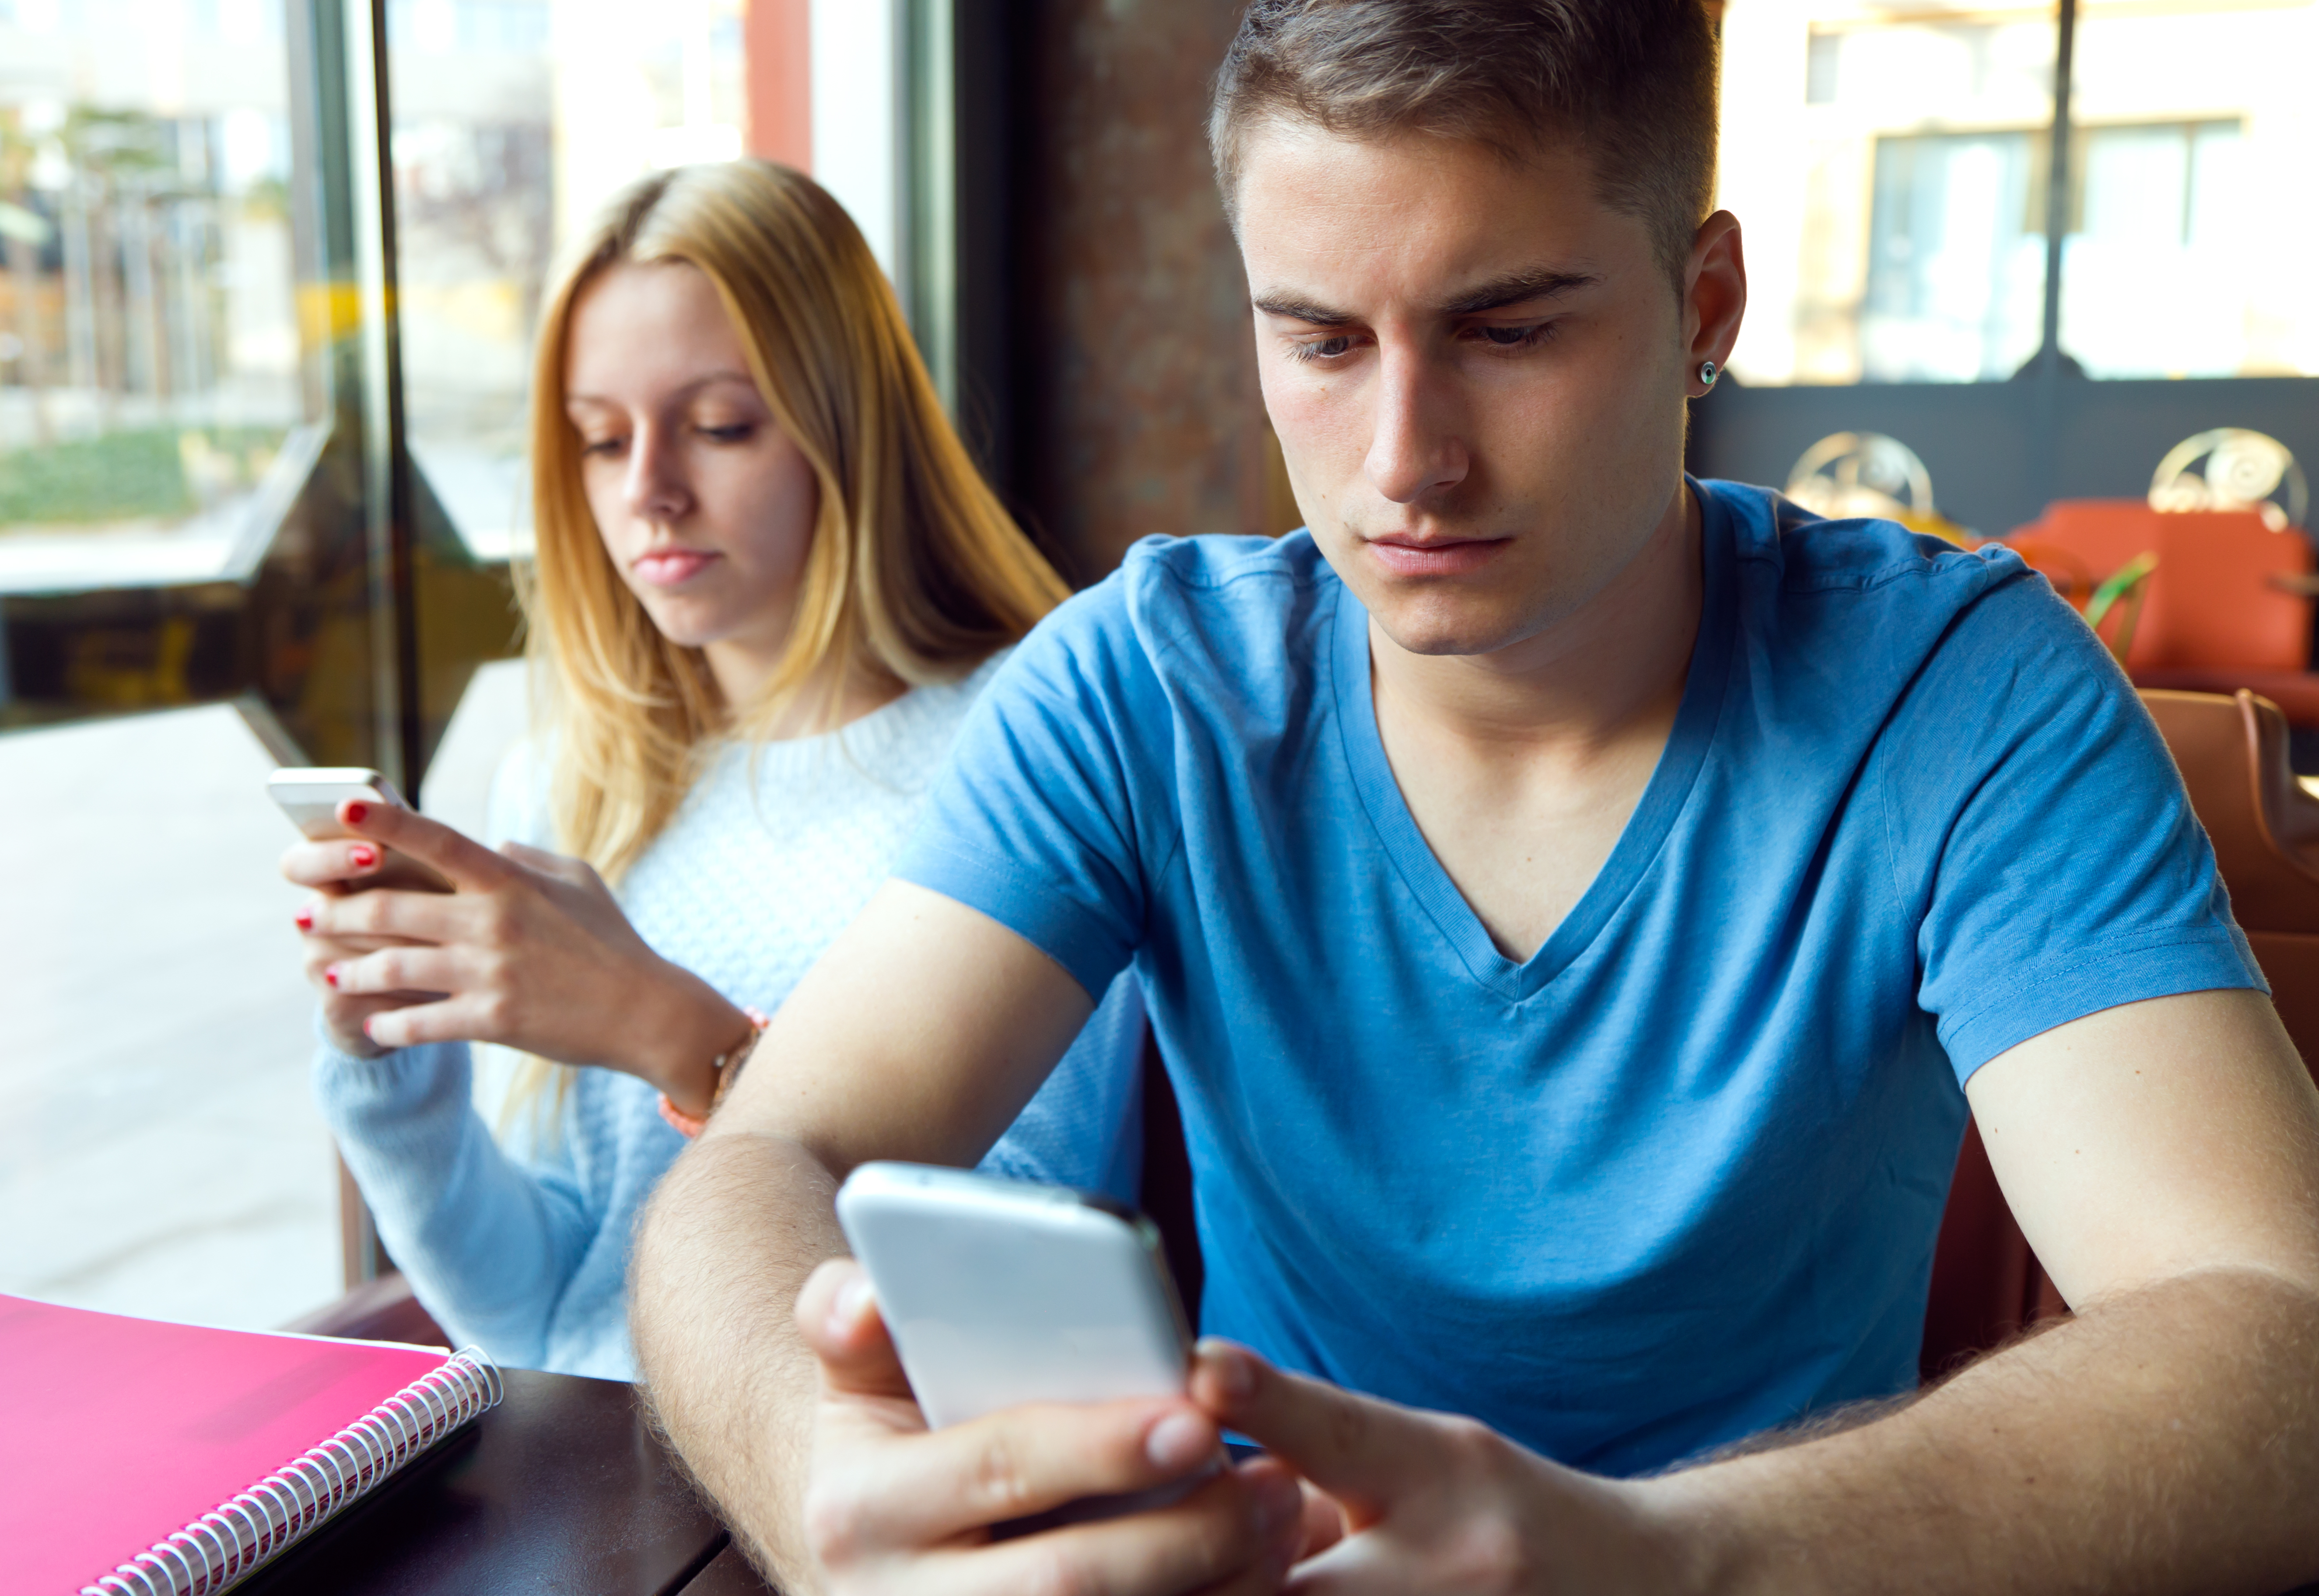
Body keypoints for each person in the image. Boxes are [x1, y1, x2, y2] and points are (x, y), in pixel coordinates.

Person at [630, 2, 2319, 1591]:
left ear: (1704, 305)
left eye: (1507, 330)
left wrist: (1653, 1562)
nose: (1404, 460)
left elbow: (2278, 1338)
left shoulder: (1963, 694)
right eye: (1319, 340)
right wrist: (815, 1493)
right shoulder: (1144, 686)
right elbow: (774, 1150)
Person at [282, 161, 1143, 1382]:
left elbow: (1017, 1283)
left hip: (887, 1461)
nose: (649, 495)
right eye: (599, 440)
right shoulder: (573, 779)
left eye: (721, 425)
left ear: (845, 424)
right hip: (612, 1477)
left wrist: (667, 1030)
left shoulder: (1033, 739)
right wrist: (394, 1063)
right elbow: (544, 1311)